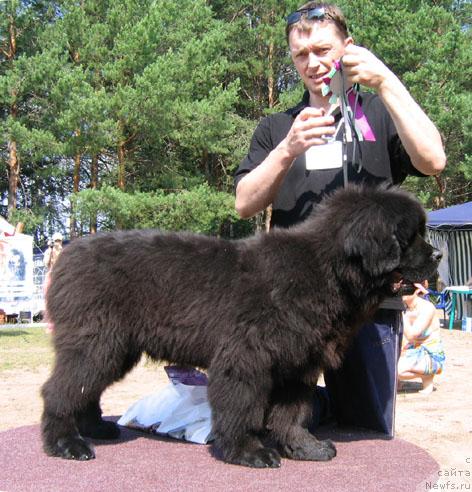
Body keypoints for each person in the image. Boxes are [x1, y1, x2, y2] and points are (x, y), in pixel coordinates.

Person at [234, 2, 446, 437]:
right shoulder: (278, 128)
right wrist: (287, 150)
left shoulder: (381, 113)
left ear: (348, 48)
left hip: (371, 308)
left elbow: (433, 160)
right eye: (300, 54)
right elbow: (244, 203)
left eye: (323, 49)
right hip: (288, 306)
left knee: (367, 435)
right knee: (279, 428)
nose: (312, 63)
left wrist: (386, 81)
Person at [398, 282, 446, 394]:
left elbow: (411, 335)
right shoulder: (407, 308)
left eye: (406, 289)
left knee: (396, 369)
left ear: (417, 290)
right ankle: (398, 382)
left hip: (431, 355)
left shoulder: (427, 308)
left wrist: (400, 313)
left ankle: (428, 375)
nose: (402, 293)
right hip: (413, 351)